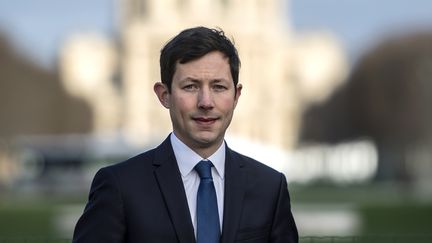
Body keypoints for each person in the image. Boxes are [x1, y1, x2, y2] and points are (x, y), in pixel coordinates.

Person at [72, 26, 298, 243]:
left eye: (219, 87)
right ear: (164, 95)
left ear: (236, 96)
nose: (206, 102)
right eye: (190, 86)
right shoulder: (120, 187)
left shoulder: (270, 188)